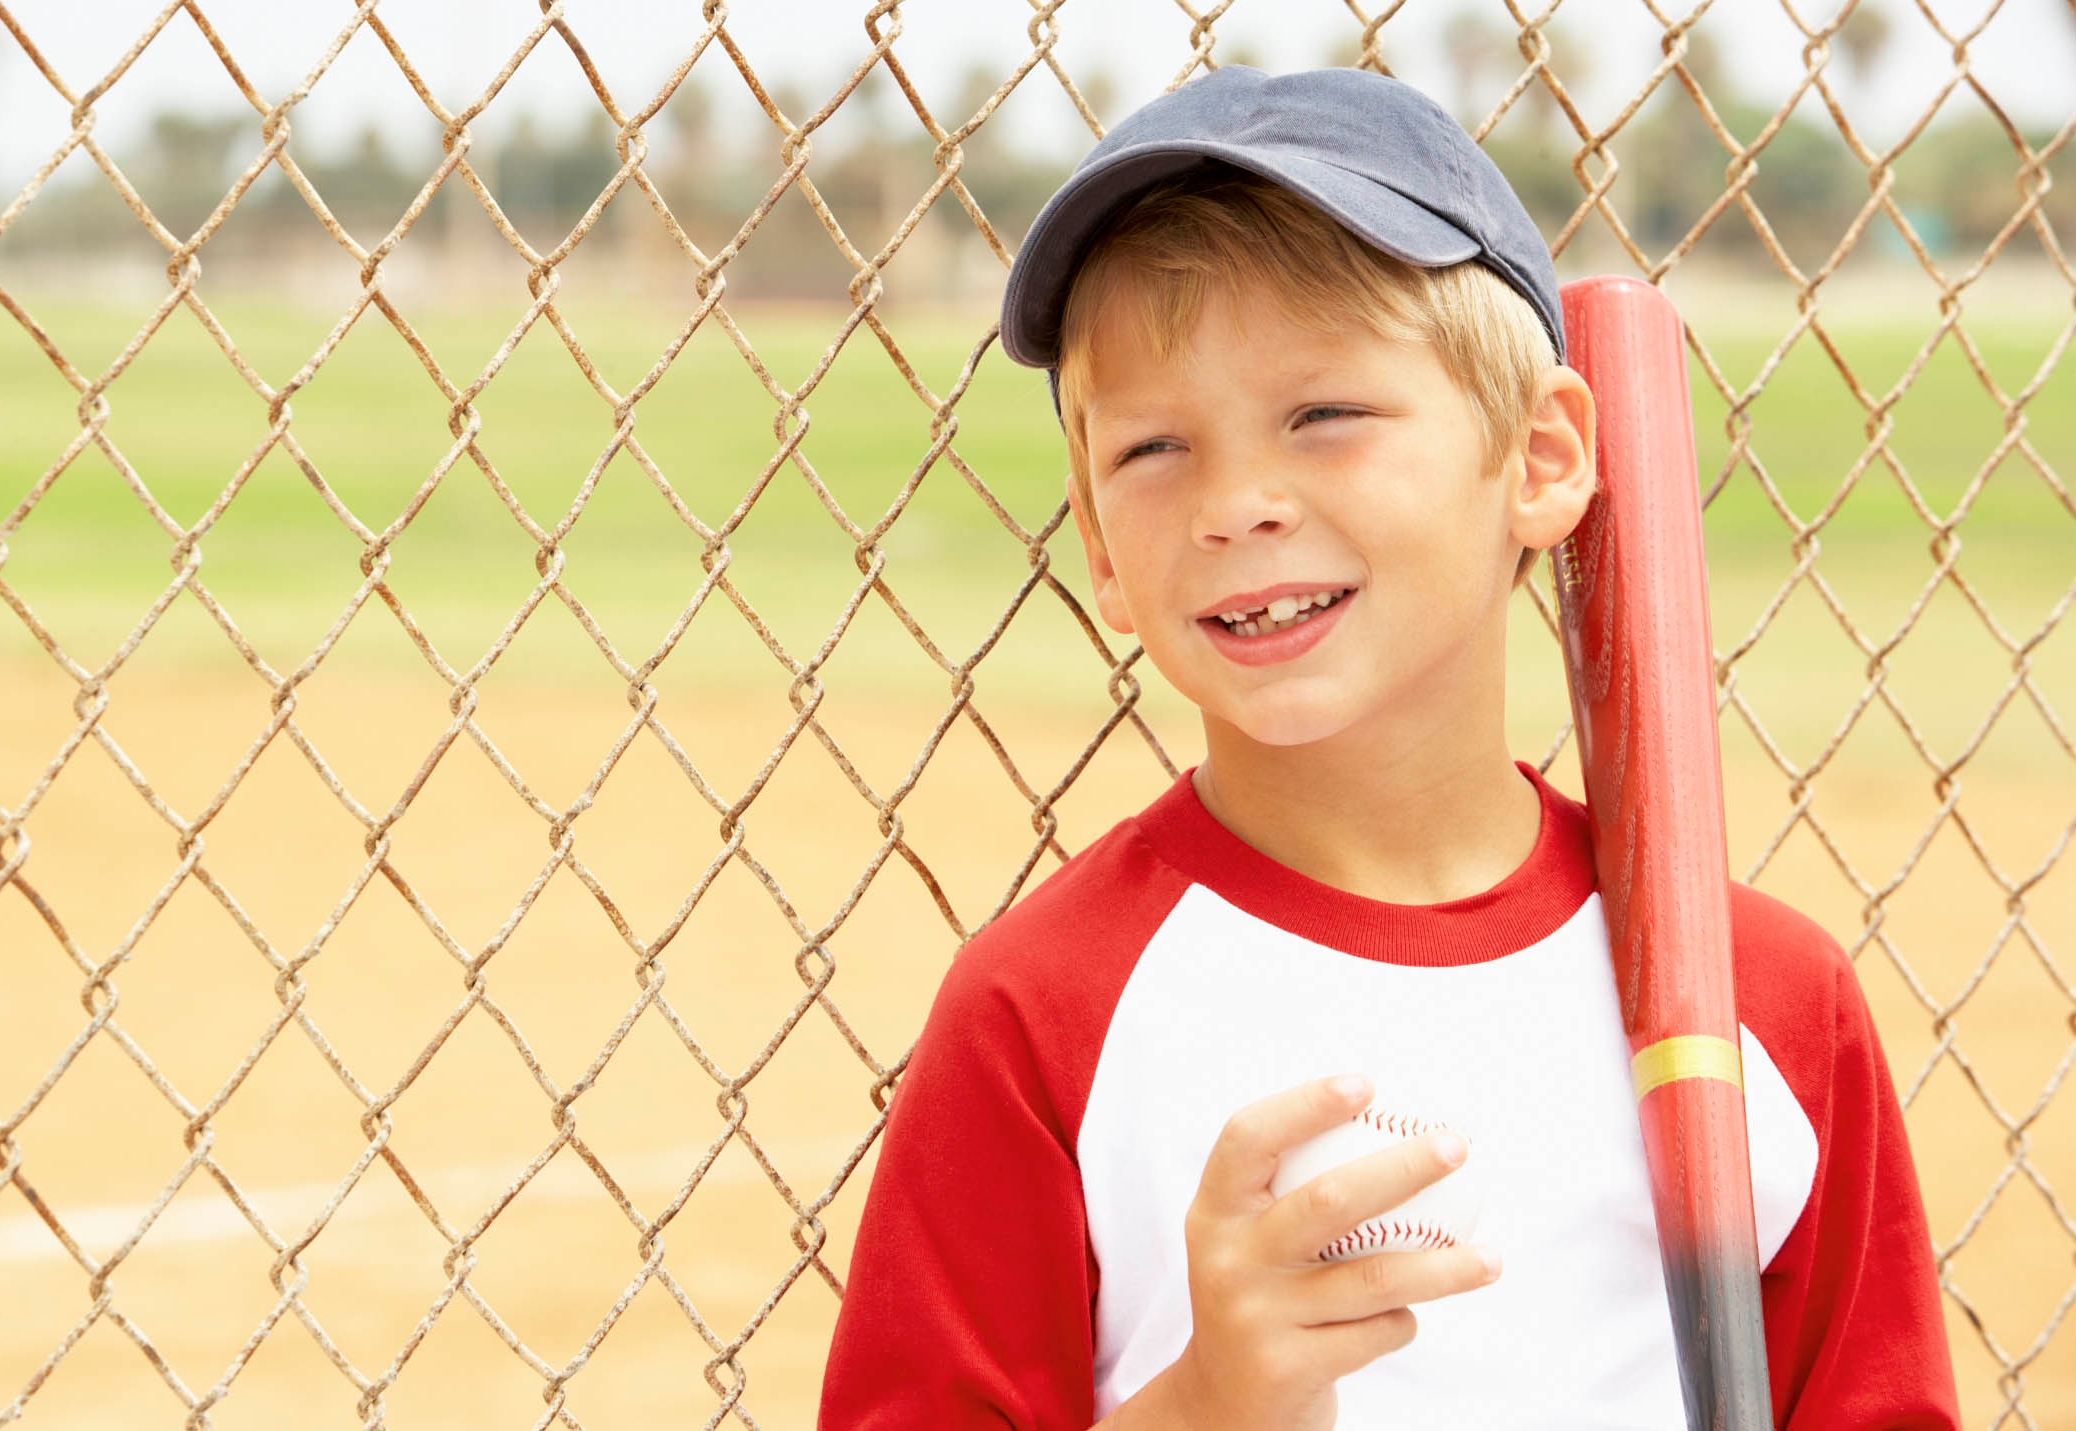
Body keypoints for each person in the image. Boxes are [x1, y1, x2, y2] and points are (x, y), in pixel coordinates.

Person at [816, 65, 1956, 1429]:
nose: (1236, 502)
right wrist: (1195, 1408)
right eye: (1153, 447)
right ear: (1100, 554)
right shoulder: (1042, 1015)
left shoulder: (1763, 1001)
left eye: (1324, 416)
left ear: (1537, 459)